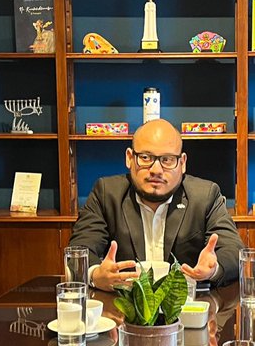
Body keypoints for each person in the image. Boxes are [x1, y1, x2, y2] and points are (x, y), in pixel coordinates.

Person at [67, 118, 243, 291]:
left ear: (182, 163)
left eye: (167, 160)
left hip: (188, 310)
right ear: (129, 158)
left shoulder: (205, 196)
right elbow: (78, 251)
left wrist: (214, 269)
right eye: (145, 157)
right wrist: (95, 275)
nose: (156, 170)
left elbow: (234, 250)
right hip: (122, 310)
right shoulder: (106, 193)